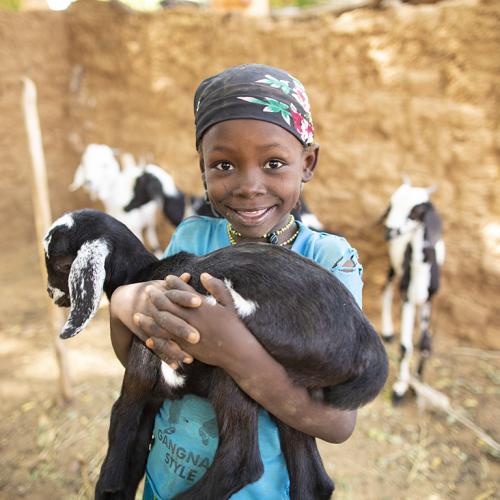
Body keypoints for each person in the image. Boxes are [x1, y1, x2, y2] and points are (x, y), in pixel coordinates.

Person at [109, 64, 364, 499]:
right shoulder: (191, 238)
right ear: (203, 169)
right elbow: (144, 361)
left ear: (308, 163)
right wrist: (125, 302)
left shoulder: (327, 261)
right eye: (224, 164)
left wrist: (235, 354)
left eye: (273, 163)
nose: (249, 185)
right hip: (168, 478)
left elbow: (338, 422)